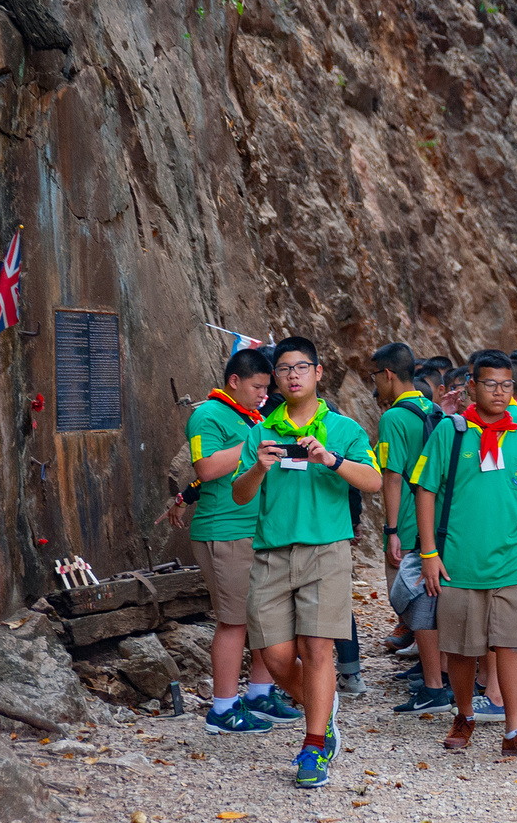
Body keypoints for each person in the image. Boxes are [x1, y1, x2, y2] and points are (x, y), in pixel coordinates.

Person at [230, 337, 383, 789]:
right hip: (272, 553)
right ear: (274, 379)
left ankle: (314, 746)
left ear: (318, 372)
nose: (292, 375)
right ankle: (325, 705)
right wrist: (258, 467)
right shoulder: (261, 430)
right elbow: (240, 494)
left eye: (301, 367)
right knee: (275, 657)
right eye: (283, 369)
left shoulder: (343, 428)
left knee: (318, 650)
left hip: (325, 551)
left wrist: (330, 459)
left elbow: (373, 481)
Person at [413, 350, 517, 758]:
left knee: (512, 644)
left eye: (506, 384)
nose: (499, 392)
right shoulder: (451, 432)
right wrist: (429, 553)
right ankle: (464, 714)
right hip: (459, 560)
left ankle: (515, 731)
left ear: (516, 389)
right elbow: (426, 489)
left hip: (512, 564)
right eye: (490, 383)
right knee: (460, 648)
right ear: (472, 387)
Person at [186, 348, 302, 733]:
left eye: (268, 388)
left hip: (255, 531)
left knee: (262, 618)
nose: (264, 395)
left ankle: (258, 694)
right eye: (257, 387)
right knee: (233, 622)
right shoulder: (208, 415)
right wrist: (257, 444)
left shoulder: (251, 418)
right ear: (234, 381)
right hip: (225, 531)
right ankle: (222, 708)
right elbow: (206, 467)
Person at [372, 342, 453, 715]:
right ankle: (436, 670)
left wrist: (391, 530)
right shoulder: (432, 408)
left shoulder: (391, 418)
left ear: (388, 375)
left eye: (376, 376)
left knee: (413, 596)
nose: (376, 383)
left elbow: (391, 476)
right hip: (436, 516)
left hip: (407, 518)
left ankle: (434, 684)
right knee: (437, 597)